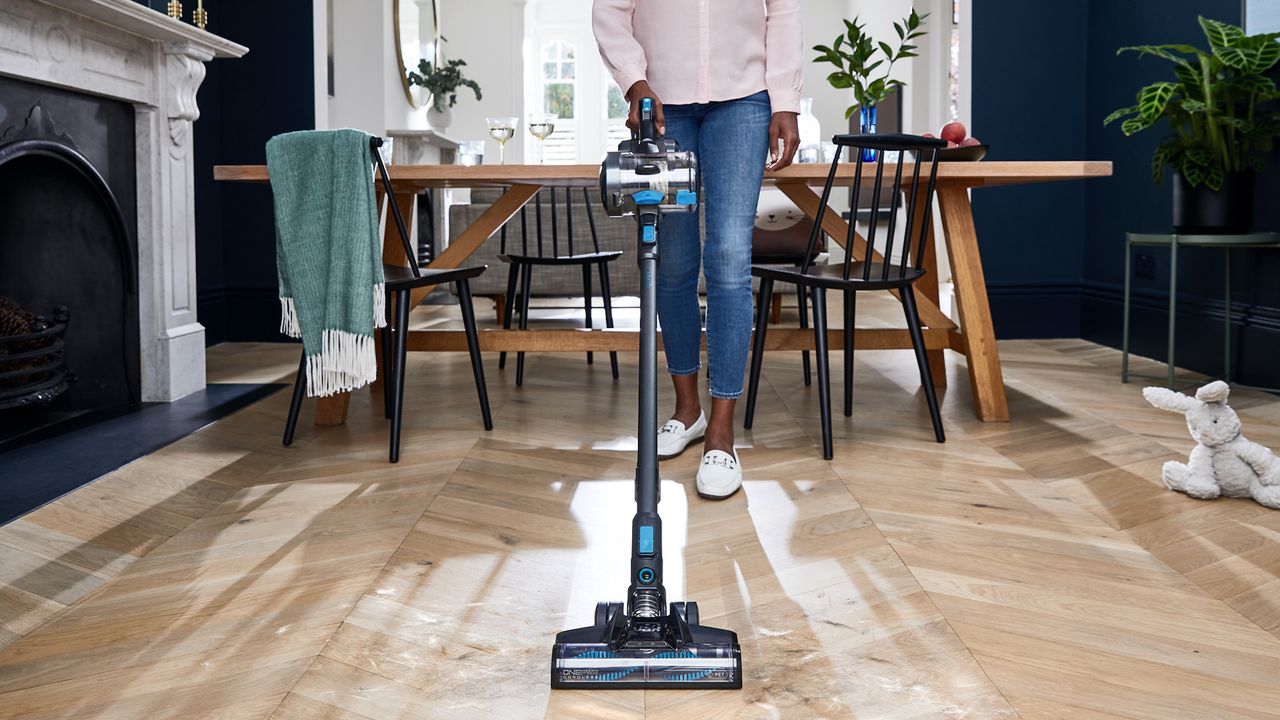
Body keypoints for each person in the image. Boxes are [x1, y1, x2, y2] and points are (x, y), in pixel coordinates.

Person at [593, 0, 803, 500]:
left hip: (745, 103)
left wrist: (785, 101)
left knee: (730, 260)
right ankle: (687, 410)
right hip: (662, 104)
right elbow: (610, 10)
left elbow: (785, 12)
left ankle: (722, 433)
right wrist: (633, 80)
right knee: (673, 265)